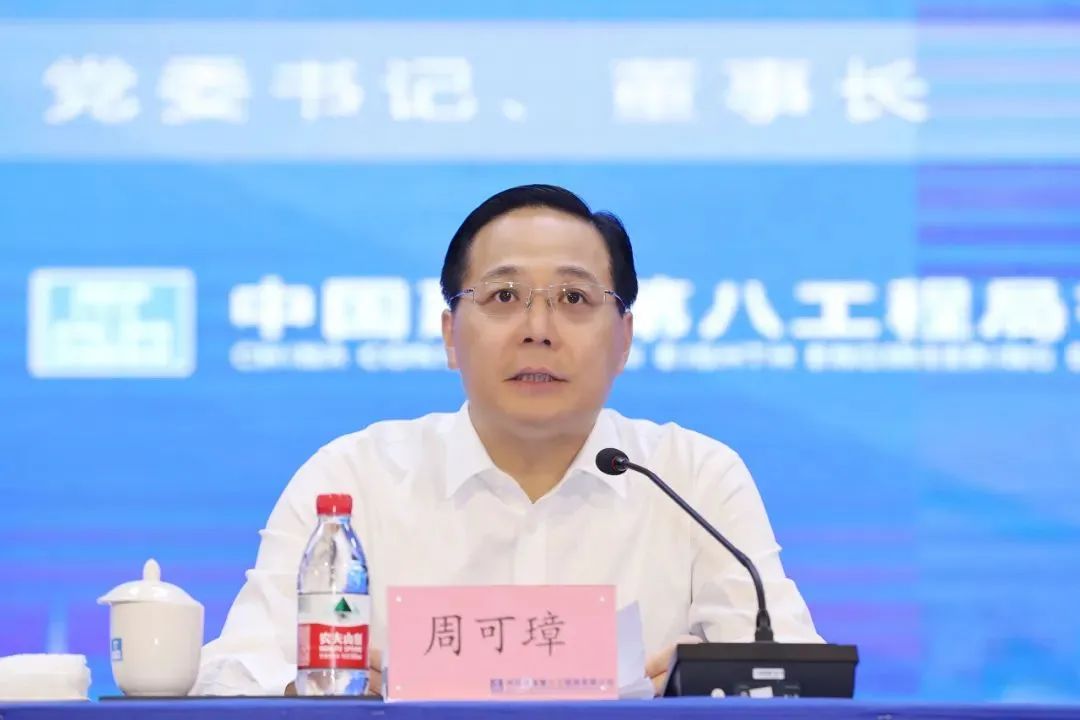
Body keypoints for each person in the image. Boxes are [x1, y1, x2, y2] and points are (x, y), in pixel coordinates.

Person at [192, 184, 822, 698]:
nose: (537, 329)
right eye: (503, 296)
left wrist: (703, 683)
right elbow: (232, 673)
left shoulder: (693, 477)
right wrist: (319, 692)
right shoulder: (354, 480)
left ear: (623, 338)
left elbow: (798, 680)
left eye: (574, 297)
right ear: (450, 334)